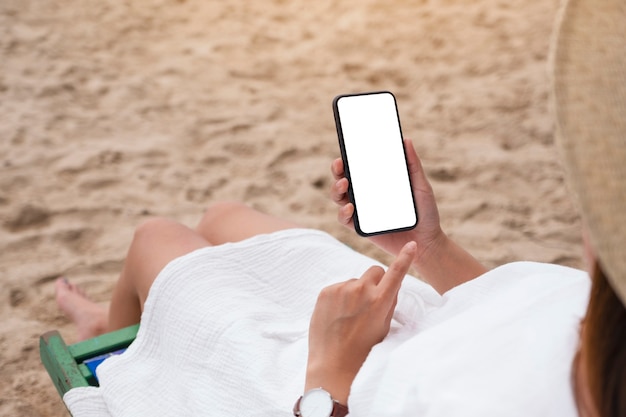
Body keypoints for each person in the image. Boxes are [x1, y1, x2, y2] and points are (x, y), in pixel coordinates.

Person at [54, 0, 625, 415]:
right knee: (223, 217)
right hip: (398, 313)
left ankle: (118, 333)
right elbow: (509, 312)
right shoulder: (603, 316)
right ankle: (119, 325)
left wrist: (330, 372)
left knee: (156, 236)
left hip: (311, 384)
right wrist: (427, 245)